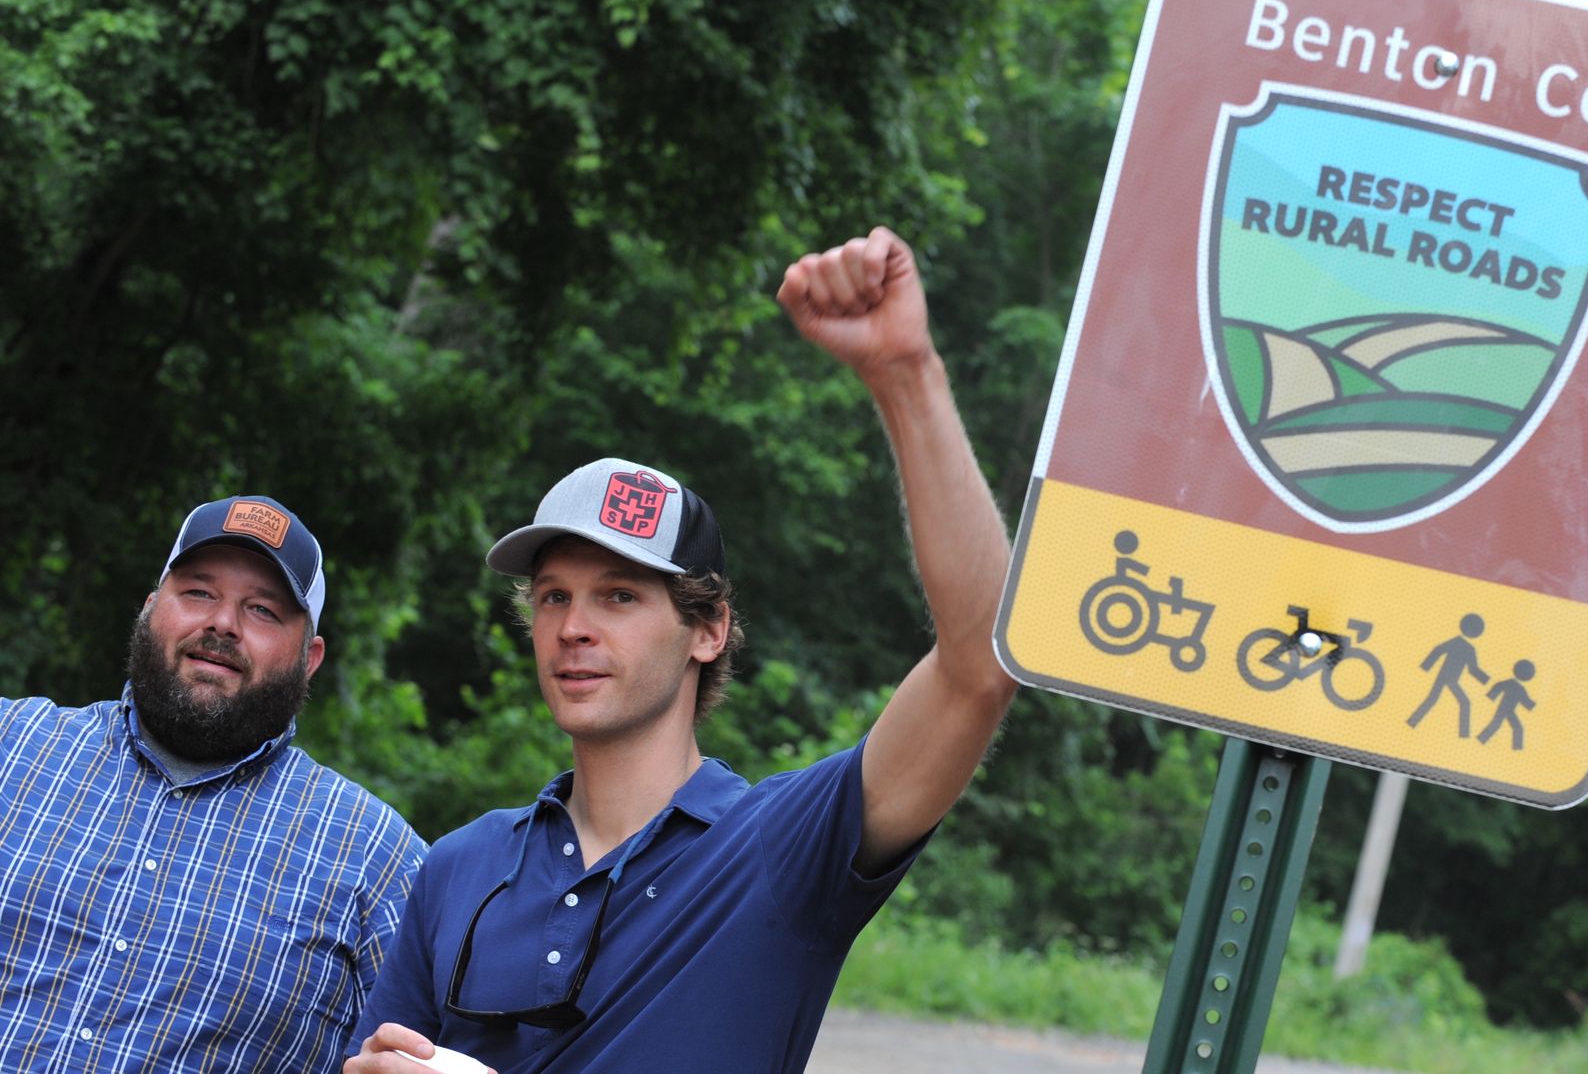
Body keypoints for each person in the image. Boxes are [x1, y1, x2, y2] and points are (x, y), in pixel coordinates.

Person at [347, 226, 1018, 1073]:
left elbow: (980, 666)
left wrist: (905, 376)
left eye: (619, 597)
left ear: (709, 629)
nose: (573, 628)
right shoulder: (459, 866)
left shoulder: (781, 850)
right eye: (554, 597)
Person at [0, 494, 427, 1071]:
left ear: (310, 659)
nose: (223, 624)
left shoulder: (378, 859)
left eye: (263, 610)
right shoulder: (14, 744)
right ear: (151, 609)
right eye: (199, 592)